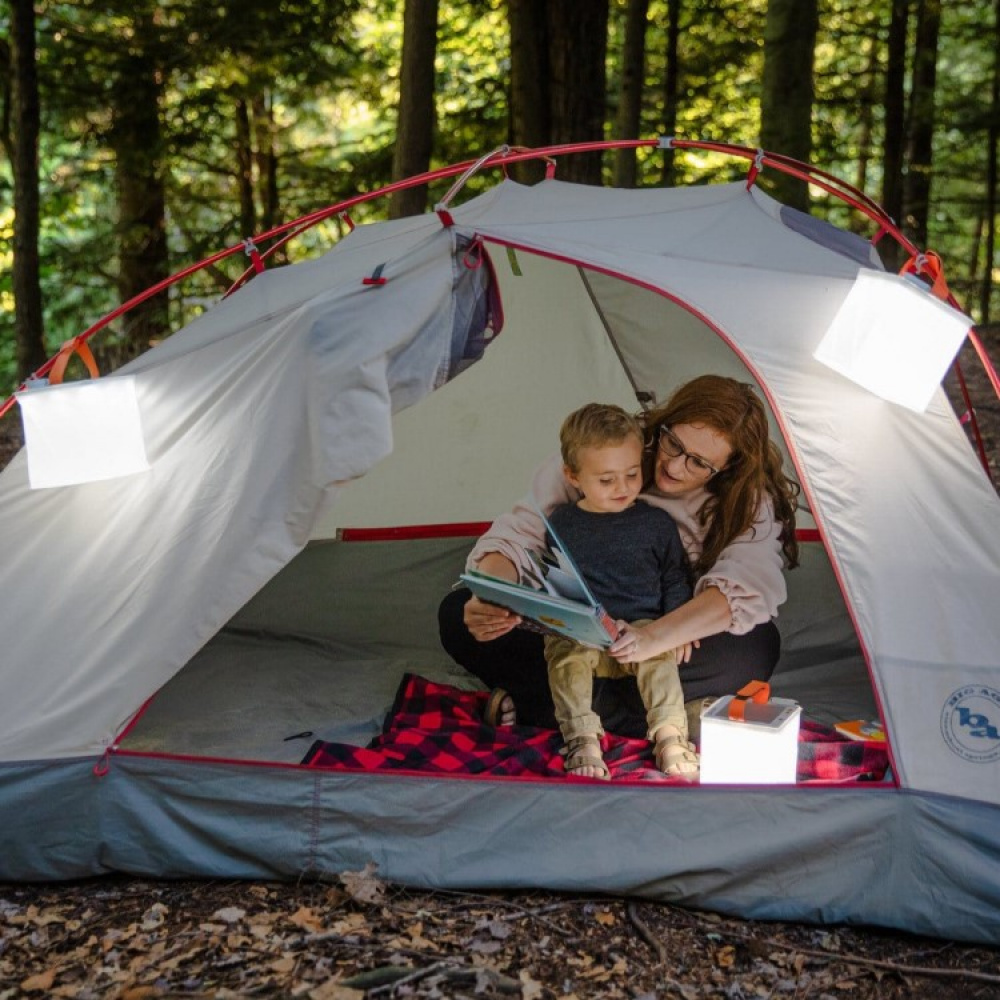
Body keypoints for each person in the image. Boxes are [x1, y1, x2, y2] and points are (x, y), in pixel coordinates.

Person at [439, 374, 799, 747]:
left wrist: (652, 638)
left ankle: (553, 708)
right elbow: (520, 535)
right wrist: (492, 597)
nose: (675, 467)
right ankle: (663, 713)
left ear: (727, 468)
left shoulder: (748, 499)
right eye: (673, 443)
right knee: (456, 615)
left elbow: (746, 583)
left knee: (756, 646)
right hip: (577, 633)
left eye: (698, 463)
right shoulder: (607, 449)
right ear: (663, 424)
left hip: (670, 638)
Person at [542, 403, 697, 781]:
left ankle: (670, 735)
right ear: (573, 476)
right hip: (588, 631)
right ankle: (581, 736)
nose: (623, 488)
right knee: (564, 656)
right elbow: (555, 582)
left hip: (643, 628)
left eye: (631, 474)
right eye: (606, 480)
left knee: (659, 661)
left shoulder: (655, 522)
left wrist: (676, 626)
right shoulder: (562, 523)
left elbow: (675, 576)